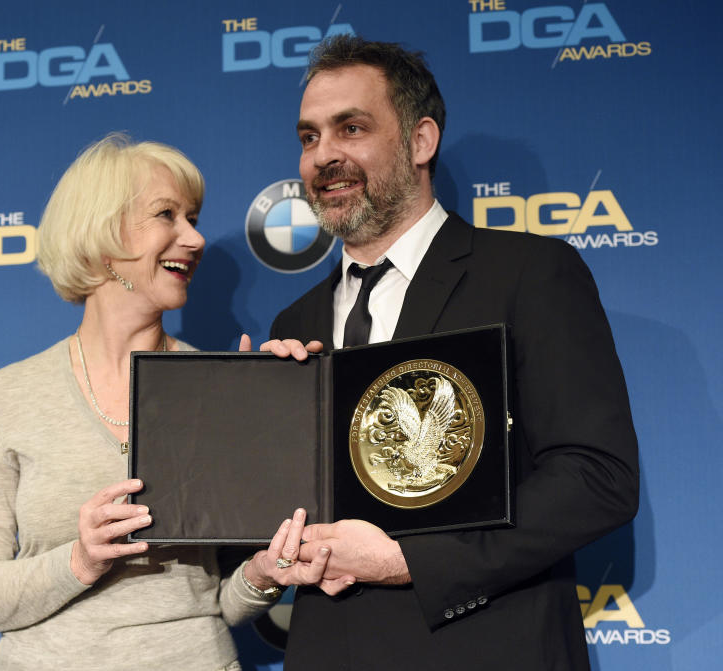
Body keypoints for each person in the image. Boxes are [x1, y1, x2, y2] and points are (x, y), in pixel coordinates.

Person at [257, 36, 639, 670]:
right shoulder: (294, 323)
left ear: (421, 140)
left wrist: (408, 561)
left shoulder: (528, 273)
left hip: (487, 647)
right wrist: (252, 422)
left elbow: (596, 478)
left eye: (350, 128)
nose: (324, 156)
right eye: (308, 137)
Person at [0, 134, 329, 671]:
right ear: (102, 233)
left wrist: (264, 573)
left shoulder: (218, 388)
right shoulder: (9, 393)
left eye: (192, 217)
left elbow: (218, 602)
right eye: (167, 215)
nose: (194, 239)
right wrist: (79, 561)